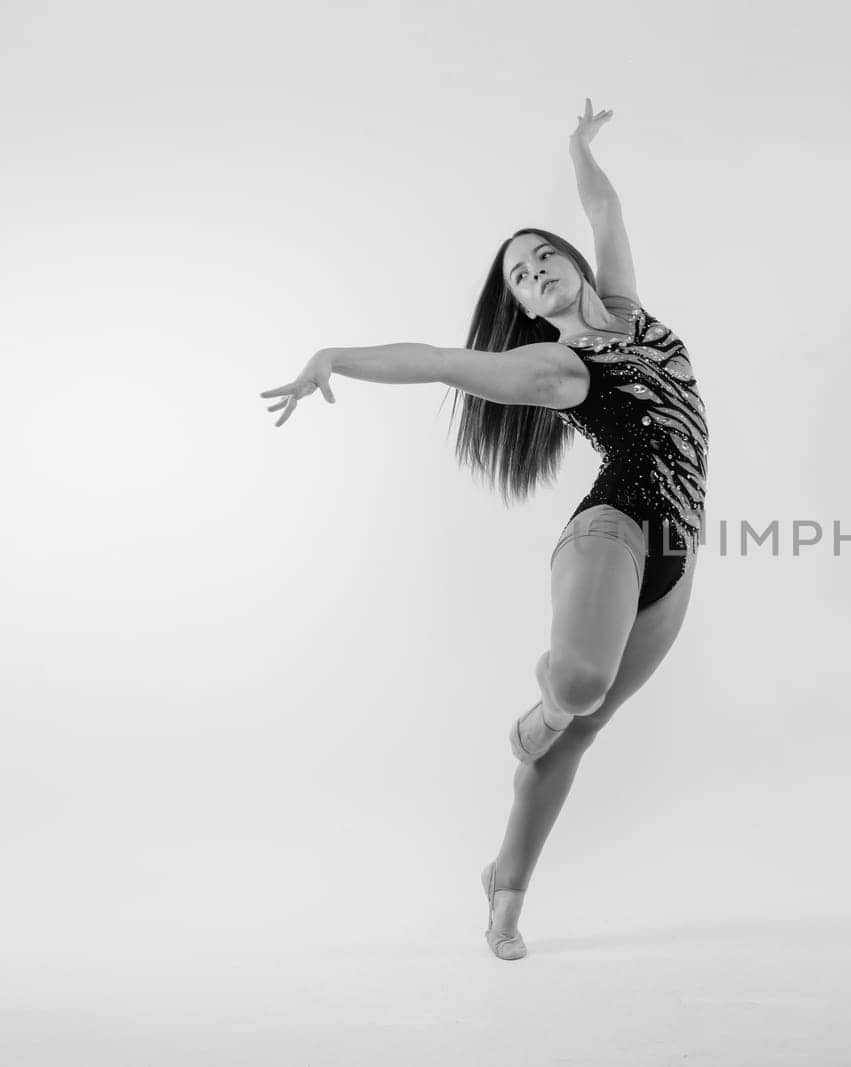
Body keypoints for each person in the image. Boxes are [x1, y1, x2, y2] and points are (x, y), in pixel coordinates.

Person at [259, 99, 710, 961]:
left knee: (582, 732)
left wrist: (578, 146)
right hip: (613, 528)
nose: (536, 269)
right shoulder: (551, 367)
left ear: (573, 265)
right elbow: (436, 359)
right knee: (576, 687)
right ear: (521, 308)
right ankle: (543, 704)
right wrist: (332, 358)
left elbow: (606, 208)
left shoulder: (630, 310)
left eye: (544, 255)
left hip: (679, 555)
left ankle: (504, 891)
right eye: (518, 275)